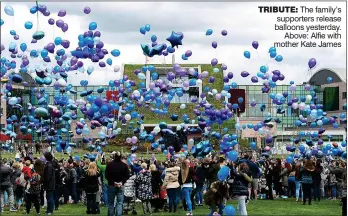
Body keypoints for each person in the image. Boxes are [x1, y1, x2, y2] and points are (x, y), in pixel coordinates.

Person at [105, 151, 130, 216]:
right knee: (119, 202)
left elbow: (107, 176)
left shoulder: (109, 165)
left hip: (111, 185)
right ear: (121, 157)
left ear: (114, 157)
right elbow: (127, 175)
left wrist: (113, 182)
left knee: (111, 203)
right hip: (120, 186)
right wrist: (121, 182)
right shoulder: (124, 165)